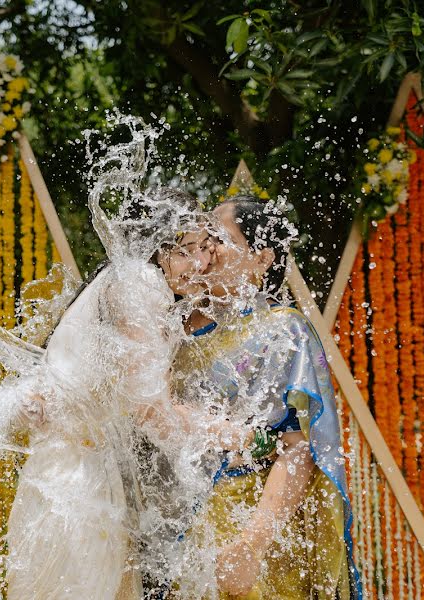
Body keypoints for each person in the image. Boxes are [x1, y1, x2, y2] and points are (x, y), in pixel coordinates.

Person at [3, 188, 249, 599]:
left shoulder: (133, 282)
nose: (201, 263)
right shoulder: (139, 284)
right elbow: (150, 411)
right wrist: (227, 434)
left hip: (76, 473)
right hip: (74, 485)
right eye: (187, 250)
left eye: (205, 249)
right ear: (156, 246)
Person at [159, 195, 362, 600]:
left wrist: (251, 544)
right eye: (205, 240)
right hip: (169, 524)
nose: (208, 251)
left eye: (221, 239)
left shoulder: (282, 333)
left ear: (262, 259)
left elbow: (298, 448)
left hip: (244, 528)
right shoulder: (168, 324)